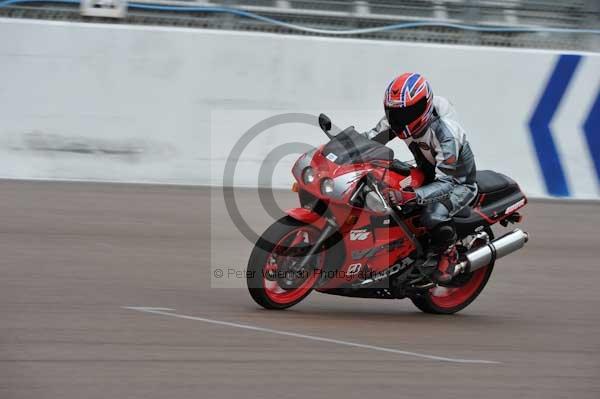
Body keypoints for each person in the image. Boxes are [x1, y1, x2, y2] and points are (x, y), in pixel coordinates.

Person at [362, 73, 477, 283]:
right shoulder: (397, 121)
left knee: (432, 215)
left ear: (423, 106)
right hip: (427, 170)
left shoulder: (445, 134)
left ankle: (449, 254)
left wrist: (410, 196)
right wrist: (345, 145)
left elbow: (446, 183)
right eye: (395, 113)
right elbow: (370, 140)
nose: (400, 119)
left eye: (408, 112)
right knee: (383, 182)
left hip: (456, 183)